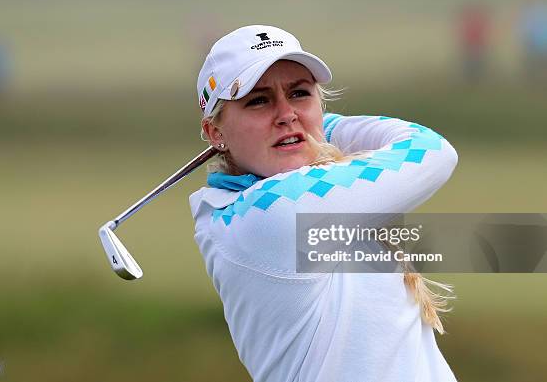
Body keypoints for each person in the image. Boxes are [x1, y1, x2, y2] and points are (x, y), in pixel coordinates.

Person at [190, 25, 458, 382]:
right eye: (258, 100)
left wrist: (302, 128)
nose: (286, 113)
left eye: (300, 93)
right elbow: (431, 150)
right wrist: (315, 127)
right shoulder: (266, 214)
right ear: (214, 133)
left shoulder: (237, 210)